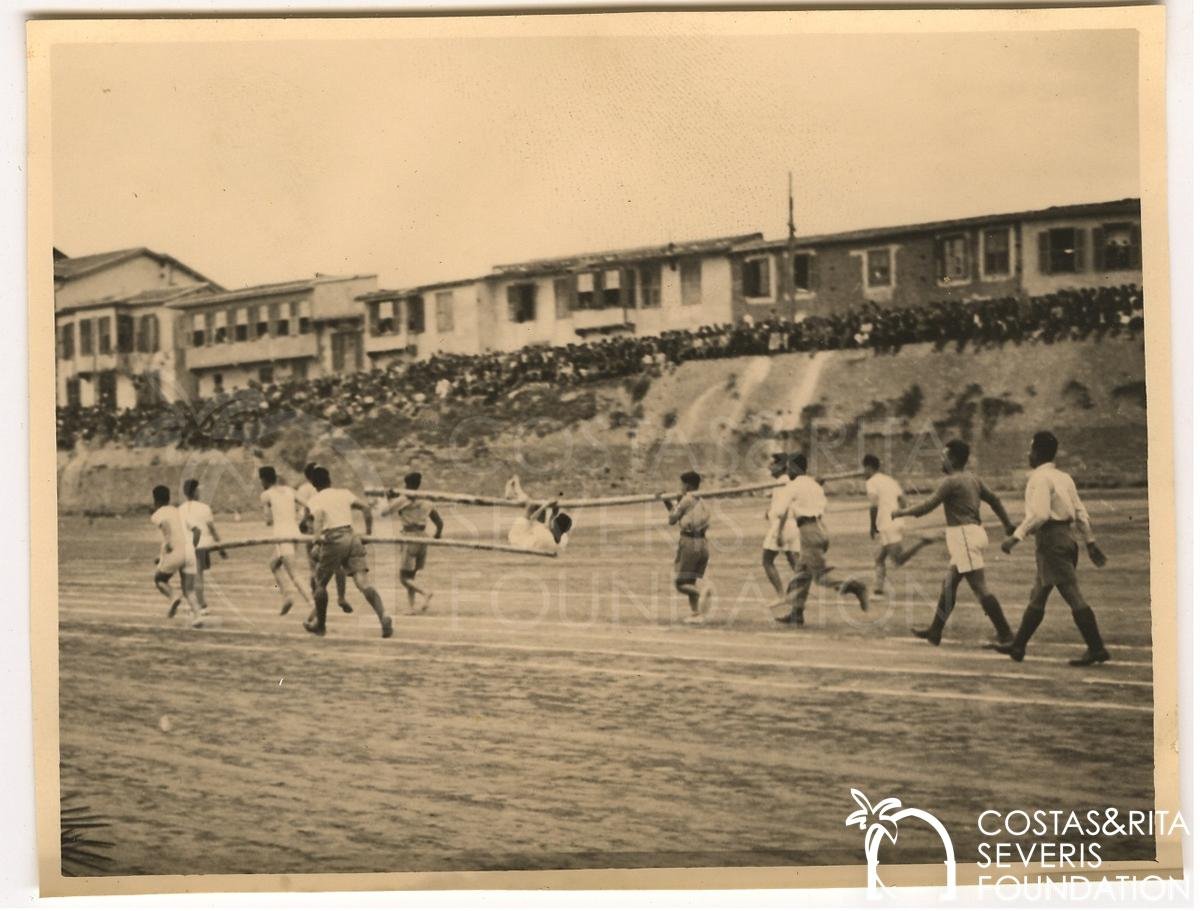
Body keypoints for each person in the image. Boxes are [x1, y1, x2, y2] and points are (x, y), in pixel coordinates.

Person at [994, 431, 1110, 666]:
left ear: (1036, 452)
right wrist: (1089, 542)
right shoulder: (1063, 477)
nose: (1028, 453)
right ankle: (1018, 646)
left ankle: (1096, 648)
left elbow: (1041, 514)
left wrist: (1015, 537)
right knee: (1039, 592)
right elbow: (1080, 513)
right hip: (1066, 539)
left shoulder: (1039, 478)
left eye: (1030, 449)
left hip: (1051, 541)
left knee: (1072, 594)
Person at [893, 439, 1015, 647]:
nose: (942, 459)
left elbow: (926, 506)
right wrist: (1007, 525)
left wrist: (900, 512)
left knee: (979, 587)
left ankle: (1006, 634)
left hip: (964, 536)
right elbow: (994, 499)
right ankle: (935, 631)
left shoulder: (951, 481)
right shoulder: (973, 479)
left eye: (944, 456)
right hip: (969, 535)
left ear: (954, 459)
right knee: (949, 583)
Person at [774, 453, 869, 626]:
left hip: (809, 532)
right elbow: (822, 505)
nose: (786, 471)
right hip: (820, 528)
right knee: (802, 572)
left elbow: (780, 512)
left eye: (788, 468)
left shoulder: (792, 486)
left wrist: (779, 534)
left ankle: (855, 586)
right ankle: (796, 613)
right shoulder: (814, 485)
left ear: (795, 468)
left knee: (820, 576)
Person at [303, 466, 392, 638]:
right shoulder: (344, 493)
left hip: (333, 539)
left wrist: (316, 537)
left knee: (320, 584)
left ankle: (320, 626)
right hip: (352, 537)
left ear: (314, 484)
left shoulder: (315, 499)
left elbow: (319, 516)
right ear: (330, 479)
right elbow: (366, 508)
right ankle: (384, 616)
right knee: (363, 583)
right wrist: (368, 532)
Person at [862, 454, 936, 595]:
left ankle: (923, 542)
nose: (863, 472)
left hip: (887, 525)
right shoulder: (889, 480)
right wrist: (899, 516)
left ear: (868, 467)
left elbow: (873, 506)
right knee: (879, 558)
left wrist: (872, 526)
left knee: (897, 560)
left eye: (864, 469)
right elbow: (903, 501)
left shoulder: (871, 482)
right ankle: (878, 589)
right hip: (895, 522)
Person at [381, 471, 445, 613]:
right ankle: (411, 607)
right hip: (423, 536)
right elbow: (439, 522)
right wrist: (437, 536)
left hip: (409, 536)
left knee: (403, 578)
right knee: (411, 575)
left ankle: (425, 592)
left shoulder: (403, 499)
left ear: (406, 484)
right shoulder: (427, 500)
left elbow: (383, 512)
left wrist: (389, 498)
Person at [296, 461, 353, 615]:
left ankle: (317, 606)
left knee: (315, 570)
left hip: (315, 532)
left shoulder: (305, 489)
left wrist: (305, 525)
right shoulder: (330, 491)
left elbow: (305, 515)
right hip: (330, 531)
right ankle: (340, 597)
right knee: (337, 566)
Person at [661, 471, 714, 624]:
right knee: (690, 581)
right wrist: (673, 503)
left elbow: (672, 520)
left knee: (680, 583)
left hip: (690, 543)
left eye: (682, 484)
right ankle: (697, 613)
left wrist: (667, 502)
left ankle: (702, 592)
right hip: (702, 543)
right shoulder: (701, 500)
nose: (681, 487)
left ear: (688, 485)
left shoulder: (687, 499)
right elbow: (680, 514)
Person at [258, 466, 313, 616]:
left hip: (282, 535)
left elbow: (268, 520)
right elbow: (309, 505)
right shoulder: (290, 490)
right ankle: (287, 595)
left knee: (293, 572)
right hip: (294, 533)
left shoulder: (266, 495)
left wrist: (267, 510)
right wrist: (302, 520)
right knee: (273, 564)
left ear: (263, 480)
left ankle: (312, 604)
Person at [150, 485, 205, 628]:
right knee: (189, 590)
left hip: (175, 552)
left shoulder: (157, 514)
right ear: (169, 498)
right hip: (189, 552)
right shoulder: (179, 511)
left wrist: (168, 542)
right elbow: (197, 531)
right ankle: (198, 617)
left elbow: (166, 525)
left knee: (159, 579)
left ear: (155, 501)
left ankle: (173, 596)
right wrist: (193, 547)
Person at [178, 478, 226, 612]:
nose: (200, 492)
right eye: (198, 489)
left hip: (186, 547)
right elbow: (212, 529)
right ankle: (201, 605)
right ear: (195, 491)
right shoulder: (205, 508)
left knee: (188, 577)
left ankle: (193, 604)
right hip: (201, 546)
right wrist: (221, 548)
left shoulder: (180, 509)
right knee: (199, 575)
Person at [761, 452, 800, 597]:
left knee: (767, 560)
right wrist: (770, 511)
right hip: (792, 524)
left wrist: (780, 530)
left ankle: (781, 595)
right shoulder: (782, 481)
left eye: (772, 464)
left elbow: (784, 509)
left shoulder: (783, 481)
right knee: (793, 560)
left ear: (781, 466)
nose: (769, 467)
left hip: (782, 524)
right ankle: (798, 592)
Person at [508, 498, 572, 553]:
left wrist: (545, 505)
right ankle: (516, 490)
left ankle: (516, 492)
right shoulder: (564, 539)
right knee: (530, 516)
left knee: (527, 513)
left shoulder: (543, 532)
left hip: (519, 542)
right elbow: (552, 528)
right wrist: (552, 515)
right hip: (531, 543)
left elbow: (532, 518)